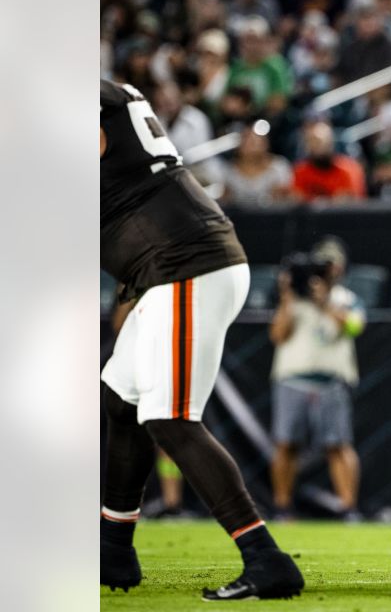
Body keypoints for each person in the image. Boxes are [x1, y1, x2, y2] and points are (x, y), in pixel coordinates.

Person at [100, 80, 303, 600]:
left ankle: (266, 558)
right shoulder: (110, 95)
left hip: (183, 265)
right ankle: (112, 550)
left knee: (168, 417)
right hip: (170, 268)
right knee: (120, 401)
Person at [268, 237, 365, 521]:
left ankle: (349, 507)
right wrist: (287, 297)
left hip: (331, 382)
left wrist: (324, 303)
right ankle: (282, 507)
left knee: (339, 444)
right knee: (286, 444)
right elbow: (277, 335)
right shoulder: (294, 300)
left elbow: (355, 326)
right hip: (293, 379)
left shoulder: (346, 299)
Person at [292, 120, 367, 200]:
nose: (316, 146)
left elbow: (354, 202)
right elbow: (297, 199)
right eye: (311, 141)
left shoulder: (348, 170)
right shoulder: (300, 172)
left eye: (319, 141)